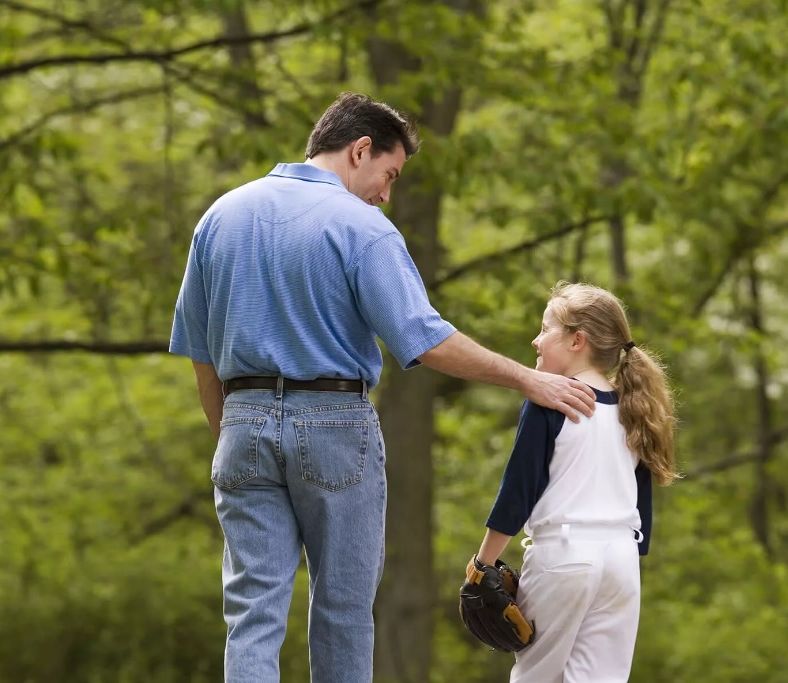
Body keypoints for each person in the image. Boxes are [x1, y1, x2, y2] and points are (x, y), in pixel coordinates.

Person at [168, 92, 597, 683]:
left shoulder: (220, 217)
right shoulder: (361, 227)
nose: (387, 193)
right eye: (389, 174)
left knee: (251, 613)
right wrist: (528, 378)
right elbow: (424, 339)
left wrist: (235, 430)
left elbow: (199, 354)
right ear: (360, 149)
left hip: (241, 423)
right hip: (334, 425)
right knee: (342, 611)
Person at [470, 281, 678, 683]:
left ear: (576, 340)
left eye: (545, 329)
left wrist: (483, 563)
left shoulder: (550, 398)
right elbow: (641, 500)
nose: (536, 339)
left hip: (564, 554)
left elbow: (520, 487)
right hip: (621, 559)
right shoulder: (632, 405)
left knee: (535, 677)